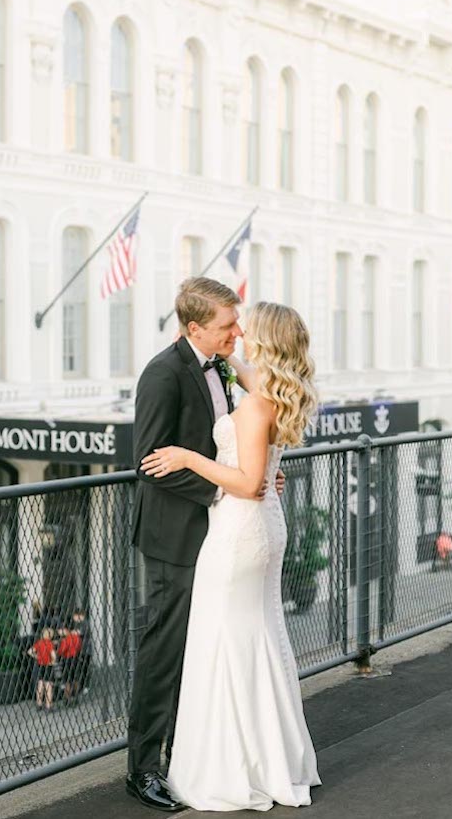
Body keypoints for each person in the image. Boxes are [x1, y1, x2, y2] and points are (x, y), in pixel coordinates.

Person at [141, 301, 321, 811]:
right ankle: (274, 758)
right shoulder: (273, 392)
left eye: (247, 328)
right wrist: (225, 360)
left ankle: (231, 767)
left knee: (222, 643)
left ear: (264, 339)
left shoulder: (256, 405)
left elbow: (244, 484)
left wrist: (186, 456)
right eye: (231, 326)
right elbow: (258, 468)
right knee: (259, 636)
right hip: (263, 530)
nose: (239, 332)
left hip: (239, 531)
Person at [28, 627, 57, 711]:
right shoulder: (49, 643)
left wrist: (37, 657)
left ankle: (39, 704)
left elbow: (30, 651)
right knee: (48, 686)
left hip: (40, 665)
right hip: (48, 666)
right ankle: (48, 705)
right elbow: (53, 655)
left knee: (40, 684)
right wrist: (53, 661)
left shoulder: (39, 643)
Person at [57, 623, 82, 704]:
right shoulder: (77, 637)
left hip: (67, 659)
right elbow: (79, 647)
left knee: (67, 680)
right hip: (76, 658)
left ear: (66, 630)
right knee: (75, 678)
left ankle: (67, 698)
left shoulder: (65, 639)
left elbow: (62, 650)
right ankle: (76, 696)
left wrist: (58, 651)